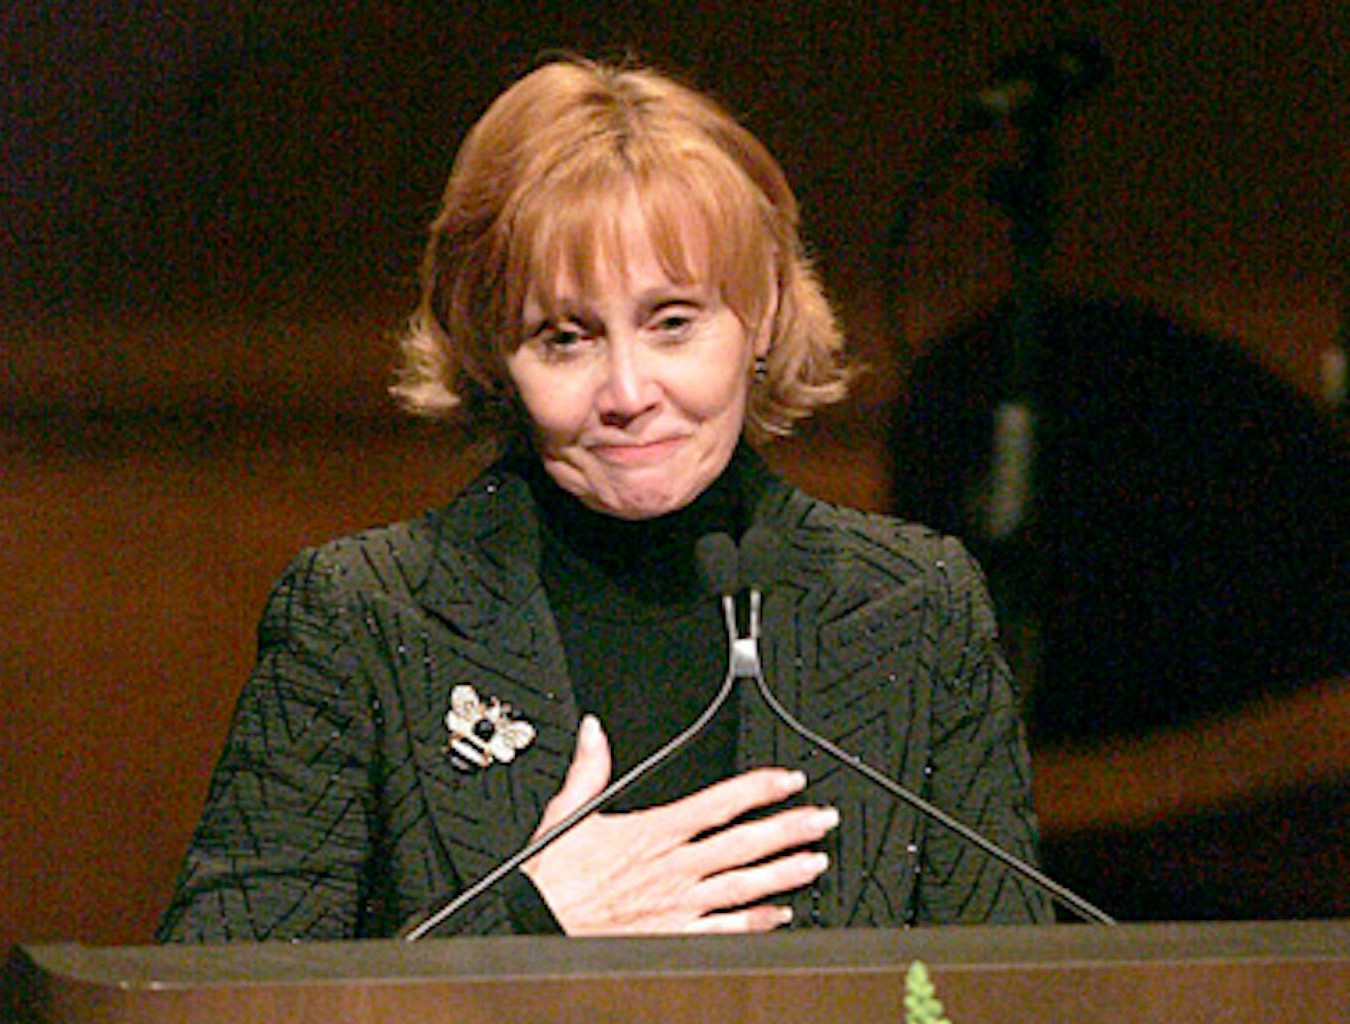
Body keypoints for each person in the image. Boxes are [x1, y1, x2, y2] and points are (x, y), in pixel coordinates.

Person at [158, 57, 1049, 943]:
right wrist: (527, 927)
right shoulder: (362, 616)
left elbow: (1017, 1011)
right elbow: (217, 1013)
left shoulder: (915, 607)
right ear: (488, 350)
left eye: (673, 323)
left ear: (766, 310)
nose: (628, 392)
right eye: (566, 338)